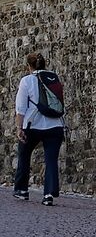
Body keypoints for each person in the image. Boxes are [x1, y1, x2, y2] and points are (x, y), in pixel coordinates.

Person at [14, 54, 66, 206]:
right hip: (55, 125)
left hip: (32, 126)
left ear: (29, 66)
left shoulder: (27, 81)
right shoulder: (53, 78)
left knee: (24, 154)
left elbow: (21, 108)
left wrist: (19, 128)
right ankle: (49, 194)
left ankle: (22, 190)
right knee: (51, 159)